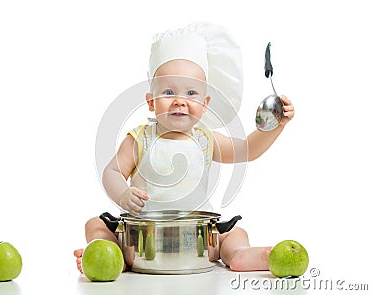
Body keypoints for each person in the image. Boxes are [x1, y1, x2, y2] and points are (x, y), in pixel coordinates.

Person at [74, 23, 295, 273]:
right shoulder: (140, 139)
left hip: (199, 238)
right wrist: (123, 194)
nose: (180, 101)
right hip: (141, 239)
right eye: (169, 92)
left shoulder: (205, 139)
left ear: (205, 103)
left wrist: (276, 126)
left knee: (234, 233)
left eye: (191, 93)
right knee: (95, 225)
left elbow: (246, 150)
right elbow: (111, 172)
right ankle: (108, 255)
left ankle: (239, 254)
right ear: (150, 101)